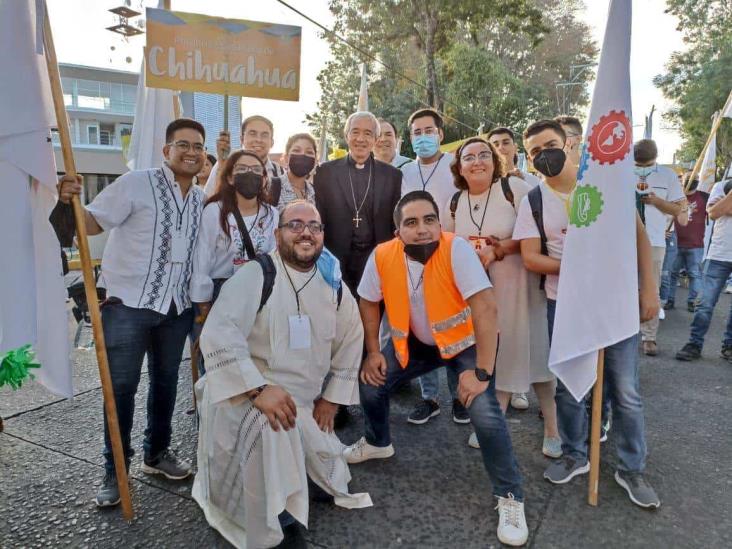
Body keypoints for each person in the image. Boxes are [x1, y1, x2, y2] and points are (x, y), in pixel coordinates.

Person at [344, 191, 528, 546]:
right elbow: (368, 301)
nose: (422, 229)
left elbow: (486, 309)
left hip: (465, 345)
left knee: (485, 412)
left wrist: (482, 373)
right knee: (370, 382)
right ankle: (378, 442)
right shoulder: (383, 255)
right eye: (411, 223)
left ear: (439, 223)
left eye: (429, 220)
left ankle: (510, 496)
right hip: (415, 344)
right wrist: (372, 352)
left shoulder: (456, 249)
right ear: (397, 231)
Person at [193, 200, 371, 548]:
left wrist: (332, 400)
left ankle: (301, 479)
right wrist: (259, 389)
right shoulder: (257, 274)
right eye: (295, 225)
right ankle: (278, 518)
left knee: (331, 475)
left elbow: (352, 339)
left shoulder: (331, 282)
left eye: (314, 226)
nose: (306, 232)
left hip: (302, 402)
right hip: (245, 395)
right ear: (278, 235)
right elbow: (218, 333)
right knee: (273, 426)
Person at [56, 118, 207, 507]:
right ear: (166, 150)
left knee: (166, 384)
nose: (191, 152)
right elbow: (90, 223)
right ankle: (115, 469)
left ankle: (157, 453)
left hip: (175, 309)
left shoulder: (200, 198)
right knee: (120, 390)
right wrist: (69, 200)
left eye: (198, 147)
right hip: (128, 306)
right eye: (183, 145)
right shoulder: (136, 183)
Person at [513, 119, 661, 509]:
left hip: (615, 302)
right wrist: (576, 267)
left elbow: (640, 241)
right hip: (564, 304)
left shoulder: (605, 187)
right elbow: (530, 256)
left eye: (550, 144)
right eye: (534, 152)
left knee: (624, 391)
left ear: (571, 144)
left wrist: (649, 291)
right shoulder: (535, 200)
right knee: (570, 386)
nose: (544, 154)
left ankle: (631, 468)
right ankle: (575, 455)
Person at [444, 137, 559, 457]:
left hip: (519, 286)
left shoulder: (515, 190)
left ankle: (552, 427)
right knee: (491, 357)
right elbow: (448, 243)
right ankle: (495, 420)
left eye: (484, 155)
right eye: (469, 157)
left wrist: (498, 249)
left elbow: (535, 234)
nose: (477, 161)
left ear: (495, 161)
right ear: (459, 167)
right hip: (479, 293)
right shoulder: (455, 201)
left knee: (536, 355)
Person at [397, 109, 467, 424]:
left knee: (452, 327)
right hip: (413, 259)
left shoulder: (456, 166)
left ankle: (459, 397)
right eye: (416, 132)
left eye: (428, 131)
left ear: (440, 134)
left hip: (449, 257)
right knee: (419, 326)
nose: (422, 137)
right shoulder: (404, 172)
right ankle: (430, 398)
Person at [190, 150, 279, 373]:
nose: (250, 174)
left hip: (258, 293)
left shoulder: (272, 215)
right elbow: (202, 260)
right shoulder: (214, 211)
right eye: (242, 169)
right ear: (230, 177)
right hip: (220, 292)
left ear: (264, 178)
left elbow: (274, 259)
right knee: (218, 362)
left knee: (252, 359)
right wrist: (204, 307)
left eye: (256, 170)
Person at [314, 111, 402, 294]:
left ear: (376, 139)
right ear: (346, 136)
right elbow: (319, 217)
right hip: (336, 259)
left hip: (377, 259)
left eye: (368, 133)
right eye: (355, 132)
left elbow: (395, 221)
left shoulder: (392, 176)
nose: (360, 139)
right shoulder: (326, 173)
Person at [633, 139, 686, 355]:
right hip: (622, 241)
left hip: (654, 240)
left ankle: (649, 337)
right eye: (638, 163)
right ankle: (621, 333)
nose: (641, 167)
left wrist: (657, 201)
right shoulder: (620, 172)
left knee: (651, 287)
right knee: (622, 287)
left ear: (654, 157)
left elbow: (679, 209)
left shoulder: (668, 175)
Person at [675, 177, 732, 362]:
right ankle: (694, 343)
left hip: (720, 255)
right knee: (705, 303)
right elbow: (714, 212)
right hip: (719, 255)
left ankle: (729, 346)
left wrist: (726, 207)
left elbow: (723, 209)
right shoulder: (722, 186)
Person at [203, 115, 285, 197]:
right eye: (253, 134)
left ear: (272, 142)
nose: (258, 140)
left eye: (264, 135)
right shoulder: (225, 165)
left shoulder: (280, 172)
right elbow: (209, 198)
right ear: (242, 139)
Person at [666, 175, 708, 312]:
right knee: (672, 273)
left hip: (695, 245)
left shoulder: (704, 197)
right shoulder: (675, 196)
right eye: (688, 177)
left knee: (694, 274)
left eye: (694, 177)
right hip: (676, 242)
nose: (691, 179)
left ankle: (692, 301)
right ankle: (669, 300)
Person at [274, 133, 318, 211]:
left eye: (309, 152)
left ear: (315, 161)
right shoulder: (272, 187)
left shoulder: (314, 191)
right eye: (296, 150)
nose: (303, 155)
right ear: (286, 158)